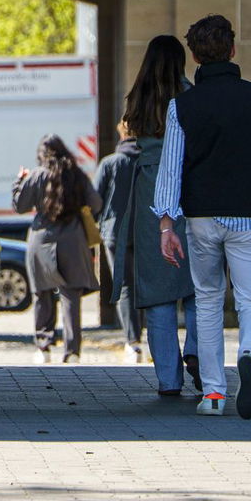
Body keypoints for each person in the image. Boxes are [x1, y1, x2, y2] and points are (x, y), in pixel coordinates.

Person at [155, 15, 251, 419]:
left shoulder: (181, 106)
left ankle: (213, 393)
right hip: (249, 212)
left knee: (209, 300)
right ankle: (250, 354)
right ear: (233, 50)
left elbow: (171, 169)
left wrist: (167, 224)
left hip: (201, 216)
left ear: (195, 57)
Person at [115, 36, 201, 397]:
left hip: (150, 189)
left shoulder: (139, 98)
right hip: (191, 184)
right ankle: (198, 352)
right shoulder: (191, 96)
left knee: (157, 291)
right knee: (199, 283)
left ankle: (168, 379)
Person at [14, 136, 104, 364]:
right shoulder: (77, 175)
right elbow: (96, 204)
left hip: (41, 239)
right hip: (72, 239)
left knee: (42, 294)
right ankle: (72, 351)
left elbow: (20, 206)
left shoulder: (36, 175)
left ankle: (43, 347)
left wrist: (19, 182)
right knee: (70, 296)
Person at [94, 121, 145, 363]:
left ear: (121, 134)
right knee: (146, 285)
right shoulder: (149, 161)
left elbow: (95, 200)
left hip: (115, 231)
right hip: (146, 231)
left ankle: (133, 343)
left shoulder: (110, 163)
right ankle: (151, 339)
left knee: (124, 286)